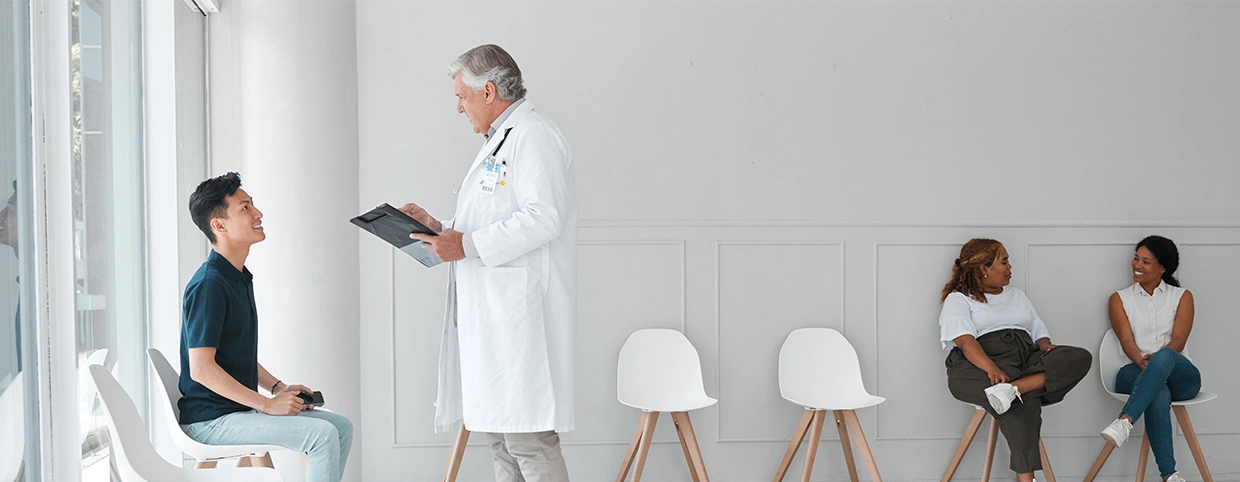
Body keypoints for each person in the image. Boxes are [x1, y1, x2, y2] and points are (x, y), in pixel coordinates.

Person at [400, 44, 576, 482]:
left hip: (520, 320)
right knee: (498, 439)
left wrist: (468, 245)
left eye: (461, 97)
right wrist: (441, 227)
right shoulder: (502, 139)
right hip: (493, 319)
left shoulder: (533, 135)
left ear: (489, 91)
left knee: (528, 441)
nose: (459, 108)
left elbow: (545, 216)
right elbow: (492, 217)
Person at [179, 172, 352, 481]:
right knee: (321, 436)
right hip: (212, 421)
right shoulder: (210, 284)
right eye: (245, 208)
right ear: (219, 225)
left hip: (235, 411)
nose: (258, 214)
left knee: (340, 428)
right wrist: (268, 405)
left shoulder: (235, 276)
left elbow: (234, 354)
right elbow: (201, 369)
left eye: (253, 205)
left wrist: (277, 388)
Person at [939, 238, 1091, 482]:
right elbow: (966, 342)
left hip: (1024, 359)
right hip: (978, 364)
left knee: (1080, 356)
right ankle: (1026, 477)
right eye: (1004, 261)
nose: (1010, 267)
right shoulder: (959, 299)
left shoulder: (1017, 295)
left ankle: (1014, 388)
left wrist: (1046, 347)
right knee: (1023, 401)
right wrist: (992, 369)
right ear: (983, 269)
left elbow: (1037, 328)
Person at [1099, 236, 1200, 482]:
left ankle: (1125, 420)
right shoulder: (1119, 299)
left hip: (1180, 376)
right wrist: (1143, 362)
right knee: (1158, 391)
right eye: (1136, 258)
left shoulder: (1182, 296)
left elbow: (1179, 341)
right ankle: (1170, 475)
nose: (1137, 264)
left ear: (1162, 268)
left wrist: (1157, 362)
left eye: (1146, 261)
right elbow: (1125, 340)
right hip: (1132, 371)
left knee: (1166, 355)